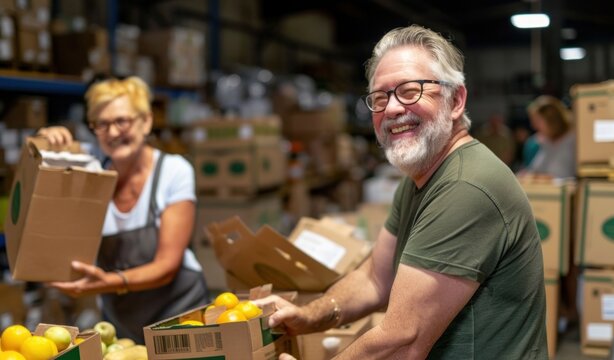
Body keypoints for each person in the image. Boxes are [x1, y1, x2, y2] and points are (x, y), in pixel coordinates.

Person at [255, 25, 548, 359]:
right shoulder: (420, 179)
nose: (392, 109)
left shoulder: (466, 187)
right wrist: (311, 315)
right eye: (381, 98)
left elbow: (403, 340)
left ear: (455, 100)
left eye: (410, 91)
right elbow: (374, 279)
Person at [37, 76, 210, 343]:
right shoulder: (91, 171)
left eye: (122, 121)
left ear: (146, 121)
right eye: (102, 124)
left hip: (181, 315)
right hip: (123, 323)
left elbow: (167, 266)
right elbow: (41, 174)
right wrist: (43, 141)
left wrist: (108, 283)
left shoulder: (173, 171)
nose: (114, 132)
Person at [521, 95, 576, 179]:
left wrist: (537, 177)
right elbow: (535, 169)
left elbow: (561, 174)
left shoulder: (571, 140)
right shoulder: (546, 141)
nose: (534, 126)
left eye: (537, 121)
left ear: (552, 121)